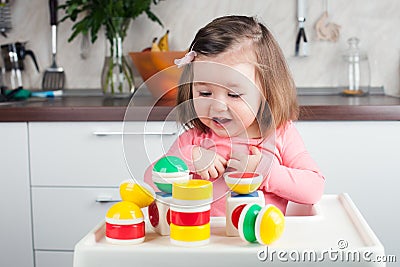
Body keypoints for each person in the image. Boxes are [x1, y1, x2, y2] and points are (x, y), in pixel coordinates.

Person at [144, 15, 325, 216]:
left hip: (262, 243)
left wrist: (265, 171)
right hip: (203, 242)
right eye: (204, 93)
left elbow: (314, 189)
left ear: (266, 91)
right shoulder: (196, 139)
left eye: (234, 94)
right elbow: (149, 181)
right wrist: (187, 157)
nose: (218, 107)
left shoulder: (281, 134)